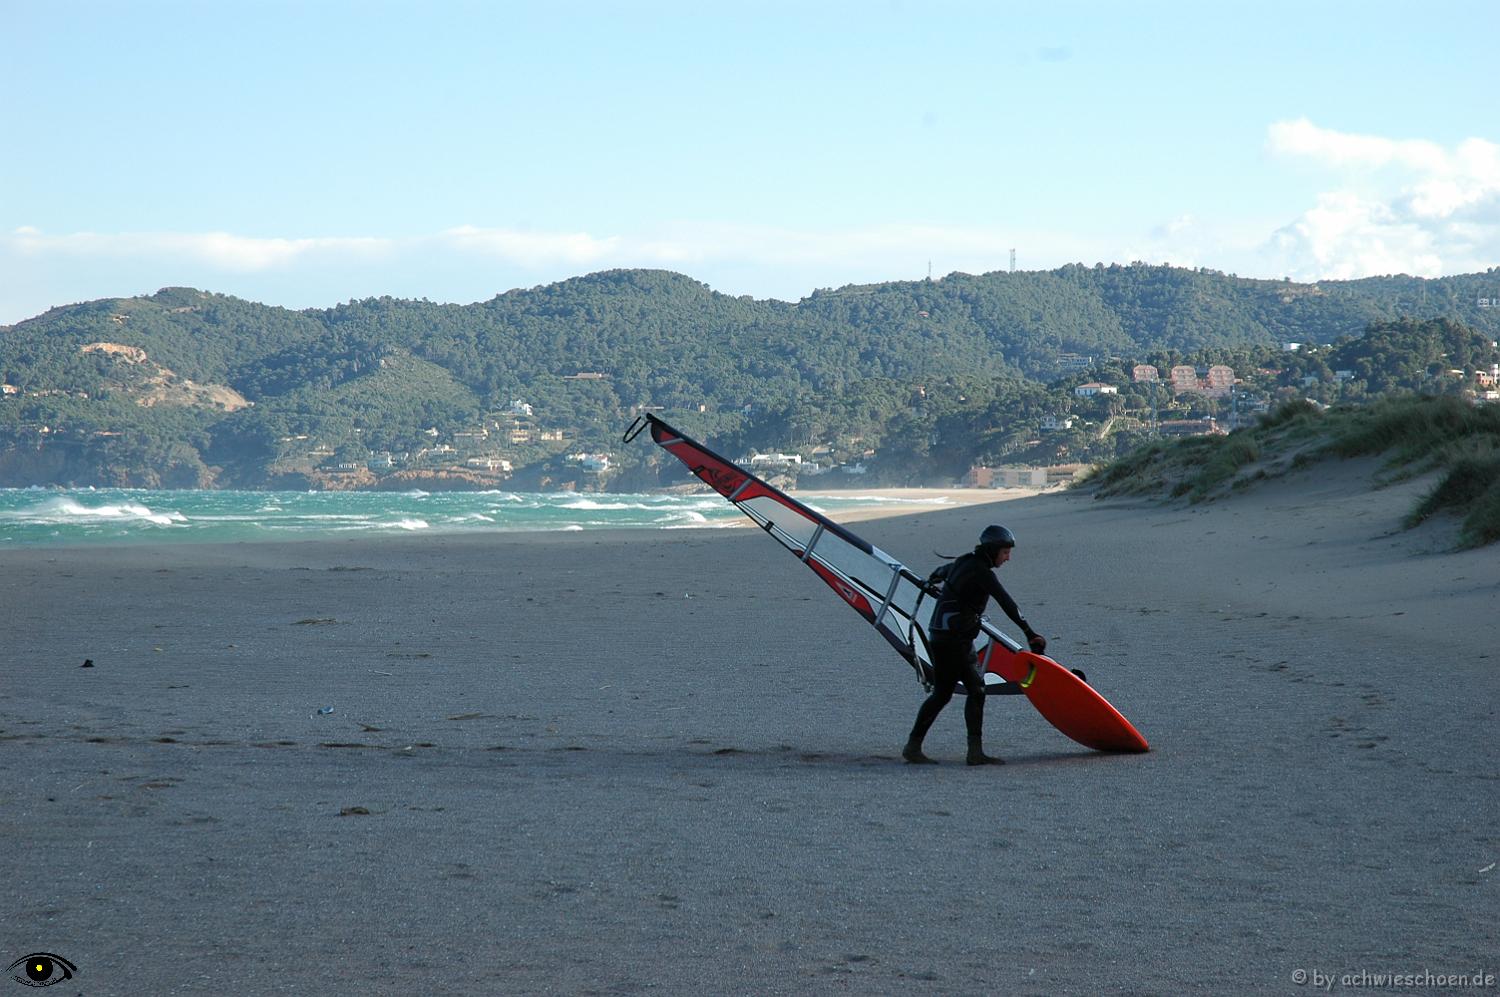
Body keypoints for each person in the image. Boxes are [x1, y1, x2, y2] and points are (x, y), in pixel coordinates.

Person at [902, 524, 1047, 766]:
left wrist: (934, 580)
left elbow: (940, 571)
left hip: (941, 635)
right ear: (992, 550)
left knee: (943, 694)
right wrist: (1029, 632)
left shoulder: (963, 562)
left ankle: (913, 746)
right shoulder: (981, 572)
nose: (1008, 558)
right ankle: (974, 753)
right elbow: (1006, 602)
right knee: (975, 690)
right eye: (1005, 552)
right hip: (955, 640)